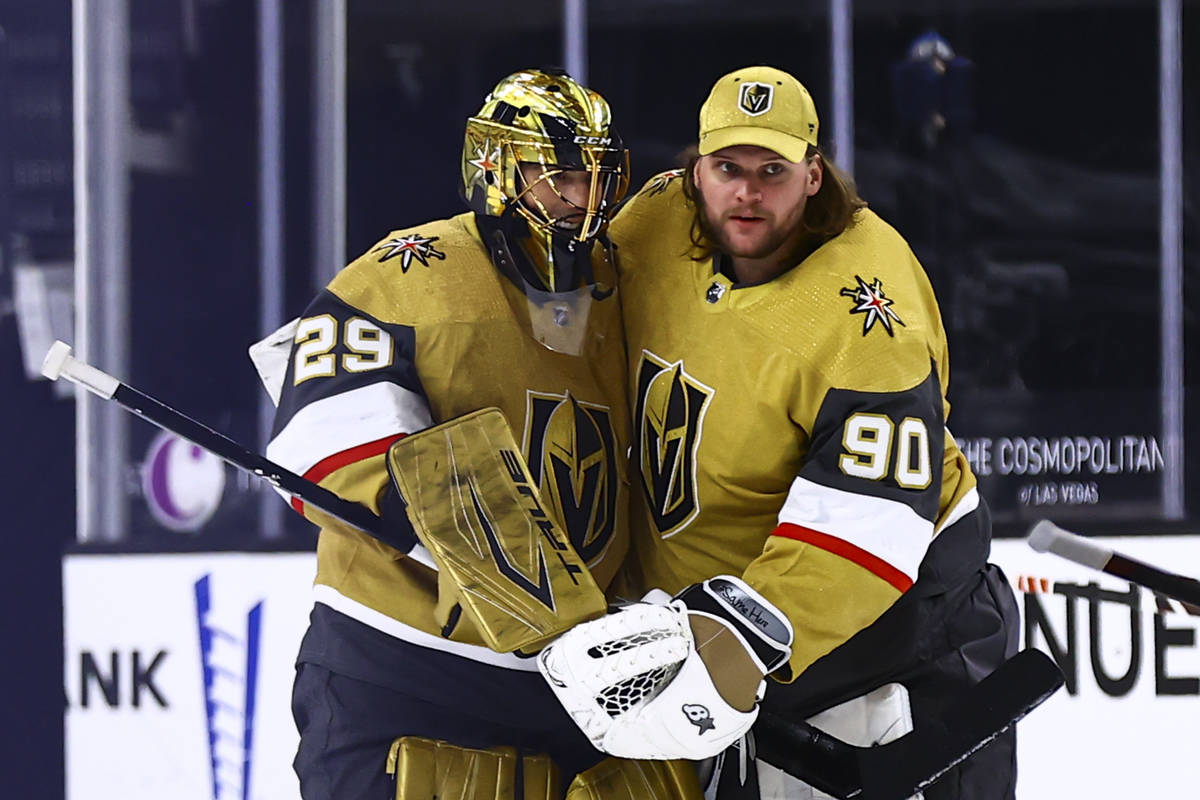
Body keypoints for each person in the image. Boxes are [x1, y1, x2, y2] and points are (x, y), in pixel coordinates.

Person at [538, 65, 1019, 799]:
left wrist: (736, 636)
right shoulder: (661, 217)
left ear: (814, 175)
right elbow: (571, 326)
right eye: (728, 167)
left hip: (894, 634)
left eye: (773, 170)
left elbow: (869, 524)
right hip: (724, 627)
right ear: (695, 169)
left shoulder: (868, 315)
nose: (747, 192)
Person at [263, 68, 699, 800]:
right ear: (494, 168)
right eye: (558, 177)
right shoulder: (411, 269)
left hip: (580, 683)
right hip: (409, 667)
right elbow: (323, 426)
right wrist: (448, 523)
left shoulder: (624, 286)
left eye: (597, 179)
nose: (582, 201)